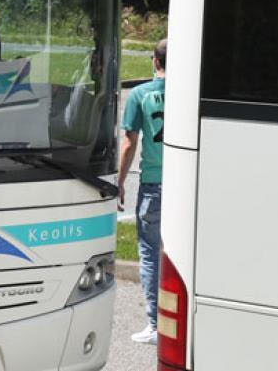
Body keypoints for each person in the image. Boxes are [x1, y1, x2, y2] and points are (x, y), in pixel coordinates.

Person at [115, 39, 167, 345]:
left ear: (154, 61)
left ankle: (155, 325)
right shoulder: (189, 93)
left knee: (149, 255)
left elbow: (130, 142)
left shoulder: (140, 94)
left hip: (153, 184)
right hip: (184, 184)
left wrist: (120, 181)